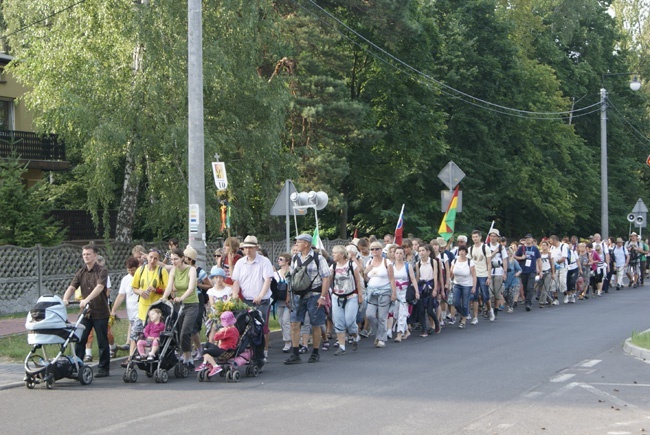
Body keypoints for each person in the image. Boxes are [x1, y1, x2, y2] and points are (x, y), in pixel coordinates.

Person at [62, 245, 110, 377]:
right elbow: (72, 287)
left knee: (102, 340)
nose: (86, 256)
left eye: (88, 254)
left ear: (95, 255)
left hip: (100, 311)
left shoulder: (102, 271)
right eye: (84, 254)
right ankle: (77, 365)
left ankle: (104, 368)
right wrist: (65, 299)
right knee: (79, 338)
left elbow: (100, 287)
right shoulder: (81, 272)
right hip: (86, 313)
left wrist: (87, 299)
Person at [285, 234, 332, 364]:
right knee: (294, 323)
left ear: (306, 243)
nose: (296, 245)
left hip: (314, 295)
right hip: (297, 296)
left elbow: (326, 277)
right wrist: (289, 295)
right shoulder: (295, 258)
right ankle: (295, 353)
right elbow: (292, 278)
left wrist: (323, 296)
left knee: (316, 324)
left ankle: (315, 352)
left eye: (298, 242)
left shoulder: (319, 258)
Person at [231, 235, 274, 365]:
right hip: (246, 300)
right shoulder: (240, 263)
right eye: (245, 248)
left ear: (256, 247)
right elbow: (236, 281)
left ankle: (259, 357)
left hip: (261, 301)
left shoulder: (264, 261)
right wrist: (234, 294)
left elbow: (267, 280)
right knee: (243, 328)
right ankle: (245, 354)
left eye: (250, 248)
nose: (248, 250)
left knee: (258, 329)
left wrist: (260, 295)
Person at [162, 247, 198, 368]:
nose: (174, 262)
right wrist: (163, 298)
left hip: (191, 304)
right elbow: (169, 287)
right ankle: (186, 354)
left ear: (183, 258)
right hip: (179, 305)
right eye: (172, 260)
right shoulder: (173, 270)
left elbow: (191, 287)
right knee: (178, 332)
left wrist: (182, 297)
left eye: (176, 259)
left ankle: (189, 357)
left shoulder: (191, 270)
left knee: (185, 332)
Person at [131, 248, 169, 362]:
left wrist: (157, 290)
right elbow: (134, 288)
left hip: (155, 309)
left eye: (155, 258)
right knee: (136, 334)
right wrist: (140, 292)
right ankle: (131, 358)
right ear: (147, 257)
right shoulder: (140, 270)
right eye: (150, 257)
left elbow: (168, 289)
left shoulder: (162, 271)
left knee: (152, 335)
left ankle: (153, 354)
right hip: (142, 309)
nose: (152, 260)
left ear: (158, 260)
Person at [329, 245, 363, 355]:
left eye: (335, 253)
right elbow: (329, 281)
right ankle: (342, 346)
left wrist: (360, 295)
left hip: (351, 296)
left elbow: (358, 281)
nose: (333, 255)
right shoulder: (332, 267)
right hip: (337, 296)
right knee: (338, 321)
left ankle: (354, 335)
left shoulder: (351, 265)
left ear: (342, 254)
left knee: (349, 320)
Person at [363, 241, 397, 346]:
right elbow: (366, 279)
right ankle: (380, 332)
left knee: (382, 316)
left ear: (381, 250)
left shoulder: (387, 262)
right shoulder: (369, 262)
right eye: (372, 249)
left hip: (385, 291)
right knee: (369, 314)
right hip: (372, 291)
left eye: (377, 249)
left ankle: (381, 339)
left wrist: (394, 293)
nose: (374, 251)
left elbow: (392, 279)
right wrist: (365, 272)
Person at [111, 257, 140, 367]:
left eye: (133, 270)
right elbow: (121, 295)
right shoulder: (125, 279)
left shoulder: (142, 276)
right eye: (129, 270)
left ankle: (130, 359)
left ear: (137, 268)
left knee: (134, 335)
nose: (131, 272)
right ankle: (140, 355)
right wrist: (113, 310)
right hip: (131, 312)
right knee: (138, 336)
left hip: (141, 311)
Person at [196, 311, 240, 378]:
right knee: (207, 344)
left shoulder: (228, 331)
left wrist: (221, 331)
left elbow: (216, 337)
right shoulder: (235, 329)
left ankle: (215, 366)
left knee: (205, 352)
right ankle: (206, 362)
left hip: (224, 350)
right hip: (227, 349)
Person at [392, 246, 418, 341]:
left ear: (404, 255)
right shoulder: (391, 266)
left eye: (400, 253)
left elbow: (413, 279)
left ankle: (399, 333)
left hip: (404, 292)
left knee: (402, 313)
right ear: (394, 254)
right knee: (395, 313)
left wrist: (416, 291)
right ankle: (406, 330)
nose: (398, 255)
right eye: (397, 253)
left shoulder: (408, 266)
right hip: (395, 291)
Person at [414, 244, 440, 335]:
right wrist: (416, 289)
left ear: (428, 252)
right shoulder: (418, 263)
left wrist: (435, 289)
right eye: (420, 251)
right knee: (421, 309)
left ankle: (437, 323)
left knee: (429, 310)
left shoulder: (433, 262)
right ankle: (424, 329)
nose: (421, 253)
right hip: (422, 286)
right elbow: (417, 277)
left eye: (423, 250)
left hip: (431, 285)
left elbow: (436, 275)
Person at [469, 230, 492, 323]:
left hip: (483, 274)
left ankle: (490, 310)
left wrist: (489, 276)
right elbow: (469, 263)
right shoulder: (470, 249)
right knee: (474, 296)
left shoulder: (485, 248)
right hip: (474, 275)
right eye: (473, 237)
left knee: (485, 295)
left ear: (480, 237)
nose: (475, 238)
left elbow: (489, 263)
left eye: (476, 237)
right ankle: (475, 317)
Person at [450, 245, 476, 328]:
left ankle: (463, 320)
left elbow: (474, 275)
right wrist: (449, 282)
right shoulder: (454, 261)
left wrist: (474, 287)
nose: (461, 252)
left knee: (465, 303)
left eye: (463, 251)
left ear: (466, 252)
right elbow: (451, 273)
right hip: (457, 283)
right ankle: (463, 313)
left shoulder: (469, 262)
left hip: (467, 284)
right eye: (460, 251)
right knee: (455, 302)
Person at [514, 233, 542, 311]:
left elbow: (539, 260)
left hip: (532, 270)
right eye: (526, 238)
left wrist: (540, 270)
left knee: (530, 287)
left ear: (532, 239)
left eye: (529, 238)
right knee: (526, 288)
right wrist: (521, 257)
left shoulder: (535, 249)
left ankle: (528, 303)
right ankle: (526, 299)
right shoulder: (522, 248)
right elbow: (515, 256)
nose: (528, 240)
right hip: (523, 270)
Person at [273, 253, 292, 353]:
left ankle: (287, 342)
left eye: (281, 259)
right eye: (278, 259)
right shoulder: (276, 274)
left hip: (289, 300)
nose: (278, 261)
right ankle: (291, 337)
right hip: (279, 300)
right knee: (281, 321)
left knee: (286, 320)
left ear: (287, 261)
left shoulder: (291, 272)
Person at [487, 229, 508, 318]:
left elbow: (504, 259)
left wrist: (505, 272)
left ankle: (495, 307)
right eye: (491, 236)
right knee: (489, 291)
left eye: (494, 236)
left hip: (498, 271)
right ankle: (488, 309)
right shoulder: (486, 246)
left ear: (497, 237)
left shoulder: (501, 247)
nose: (492, 238)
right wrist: (494, 252)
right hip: (489, 271)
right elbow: (487, 258)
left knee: (497, 291)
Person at [503, 247, 522, 312]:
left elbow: (519, 269)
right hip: (505, 279)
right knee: (505, 293)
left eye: (508, 253)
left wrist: (517, 273)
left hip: (513, 278)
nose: (507, 254)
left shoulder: (514, 261)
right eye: (506, 253)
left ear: (511, 254)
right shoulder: (503, 261)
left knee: (511, 292)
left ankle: (511, 306)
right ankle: (508, 303)